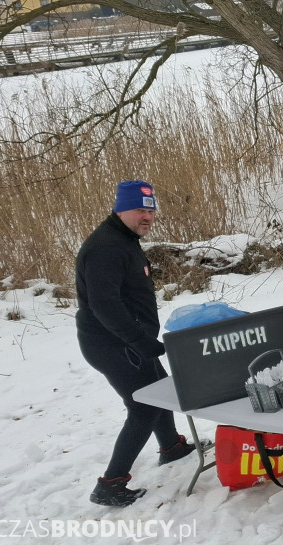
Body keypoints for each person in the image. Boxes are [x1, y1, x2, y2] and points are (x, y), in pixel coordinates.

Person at [76, 180, 201, 507]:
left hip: (130, 339)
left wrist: (142, 339)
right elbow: (104, 305)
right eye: (140, 210)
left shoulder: (124, 239)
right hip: (112, 344)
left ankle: (171, 447)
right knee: (144, 406)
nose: (147, 217)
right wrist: (137, 341)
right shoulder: (106, 247)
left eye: (150, 210)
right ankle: (110, 484)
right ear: (121, 209)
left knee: (158, 387)